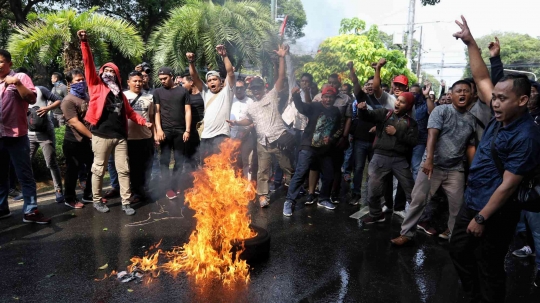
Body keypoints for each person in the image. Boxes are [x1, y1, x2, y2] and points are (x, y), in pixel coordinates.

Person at [450, 16, 540, 302]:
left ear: (522, 101)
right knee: (458, 250)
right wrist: (470, 42)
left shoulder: (526, 135)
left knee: (490, 267)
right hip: (473, 200)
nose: (495, 102)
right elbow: (481, 78)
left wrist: (482, 217)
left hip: (496, 212)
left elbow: (508, 186)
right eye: (495, 98)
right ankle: (473, 296)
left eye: (503, 98)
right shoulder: (500, 112)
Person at [391, 80, 477, 246]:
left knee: (457, 206)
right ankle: (406, 234)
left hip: (455, 169)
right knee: (418, 201)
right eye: (458, 91)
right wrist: (429, 159)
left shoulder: (472, 119)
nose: (462, 94)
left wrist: (471, 171)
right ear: (451, 95)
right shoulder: (441, 111)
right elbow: (432, 135)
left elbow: (470, 146)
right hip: (432, 166)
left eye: (466, 91)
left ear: (472, 95)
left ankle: (453, 235)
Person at [78, 30, 151, 215]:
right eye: (106, 70)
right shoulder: (96, 85)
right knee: (99, 169)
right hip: (101, 135)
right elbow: (88, 64)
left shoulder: (121, 94)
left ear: (117, 75)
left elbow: (131, 113)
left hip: (120, 137)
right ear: (102, 73)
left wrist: (144, 122)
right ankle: (96, 200)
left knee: (124, 170)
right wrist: (84, 42)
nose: (109, 73)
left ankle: (126, 202)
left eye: (112, 71)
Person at [227, 45, 294, 208]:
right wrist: (236, 122)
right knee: (262, 171)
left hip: (278, 139)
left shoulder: (272, 95)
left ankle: (292, 191)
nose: (255, 90)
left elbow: (281, 77)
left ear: (264, 87)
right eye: (253, 88)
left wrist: (281, 58)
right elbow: (247, 121)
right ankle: (263, 196)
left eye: (258, 87)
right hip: (262, 142)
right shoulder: (251, 106)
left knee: (288, 168)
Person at [0, 49, 50, 223]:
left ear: (9, 63)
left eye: (0, 61)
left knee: (24, 175)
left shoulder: (20, 77)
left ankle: (30, 211)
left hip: (17, 136)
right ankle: (2, 209)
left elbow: (31, 99)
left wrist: (16, 84)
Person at [282, 86, 346, 216]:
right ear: (322, 97)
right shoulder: (315, 106)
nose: (328, 99)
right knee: (301, 173)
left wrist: (332, 139)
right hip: (308, 146)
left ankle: (324, 198)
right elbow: (301, 108)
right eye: (326, 97)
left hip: (325, 150)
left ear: (334, 98)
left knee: (328, 175)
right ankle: (289, 201)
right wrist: (295, 96)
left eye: (331, 97)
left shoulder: (336, 111)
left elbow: (339, 128)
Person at [359, 92, 418, 224]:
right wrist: (362, 110)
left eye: (402, 102)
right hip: (380, 157)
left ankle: (416, 220)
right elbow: (368, 116)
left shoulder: (411, 123)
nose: (397, 103)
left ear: (408, 106)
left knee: (411, 191)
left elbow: (413, 141)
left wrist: (397, 133)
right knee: (373, 191)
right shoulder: (385, 113)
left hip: (400, 159)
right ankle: (376, 214)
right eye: (398, 100)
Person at [186, 45, 235, 159]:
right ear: (207, 84)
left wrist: (224, 56)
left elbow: (230, 73)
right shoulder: (205, 93)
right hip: (206, 137)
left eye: (214, 79)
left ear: (221, 82)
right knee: (205, 170)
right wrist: (191, 62)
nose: (212, 82)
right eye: (209, 81)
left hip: (221, 136)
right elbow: (194, 76)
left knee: (222, 167)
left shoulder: (227, 92)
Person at [153, 67, 191, 200]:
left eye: (165, 78)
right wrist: (159, 129)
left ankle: (175, 185)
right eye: (161, 79)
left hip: (180, 131)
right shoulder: (157, 92)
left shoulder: (183, 91)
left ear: (172, 76)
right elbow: (156, 112)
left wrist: (187, 130)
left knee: (179, 160)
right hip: (165, 131)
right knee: (164, 160)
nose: (162, 81)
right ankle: (168, 188)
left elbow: (187, 111)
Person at [27, 84, 65, 204]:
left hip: (45, 133)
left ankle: (58, 190)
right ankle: (27, 192)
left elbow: (59, 100)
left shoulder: (40, 90)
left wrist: (48, 108)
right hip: (28, 134)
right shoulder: (16, 93)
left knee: (51, 163)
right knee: (25, 164)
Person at [62, 68, 93, 208]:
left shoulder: (86, 96)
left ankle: (89, 195)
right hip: (73, 142)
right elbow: (75, 122)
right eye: (77, 80)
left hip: (87, 141)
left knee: (94, 168)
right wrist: (92, 136)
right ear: (69, 83)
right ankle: (70, 198)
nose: (81, 82)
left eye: (82, 79)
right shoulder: (68, 101)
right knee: (72, 171)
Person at [347, 61, 375, 206]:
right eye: (368, 84)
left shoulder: (384, 100)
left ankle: (372, 196)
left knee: (374, 170)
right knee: (358, 168)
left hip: (376, 141)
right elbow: (355, 81)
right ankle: (356, 194)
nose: (370, 86)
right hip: (361, 140)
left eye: (373, 84)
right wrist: (351, 68)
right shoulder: (361, 97)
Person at [125, 71, 155, 202]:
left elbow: (152, 117)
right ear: (128, 82)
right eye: (135, 81)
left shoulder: (149, 97)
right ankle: (136, 192)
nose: (138, 83)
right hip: (129, 138)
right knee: (133, 167)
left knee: (147, 166)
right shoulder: (123, 96)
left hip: (146, 137)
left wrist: (154, 136)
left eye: (140, 81)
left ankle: (144, 189)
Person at [230, 79, 254, 179]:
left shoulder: (250, 102)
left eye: (241, 88)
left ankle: (248, 185)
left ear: (245, 88)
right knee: (232, 160)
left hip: (247, 136)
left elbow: (254, 120)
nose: (238, 90)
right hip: (232, 136)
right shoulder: (230, 100)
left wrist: (247, 131)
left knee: (247, 160)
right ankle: (233, 183)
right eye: (236, 88)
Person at [180, 73, 204, 170]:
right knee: (189, 157)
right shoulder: (184, 95)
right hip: (188, 130)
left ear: (191, 82)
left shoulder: (203, 94)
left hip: (202, 130)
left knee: (202, 155)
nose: (182, 85)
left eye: (183, 83)